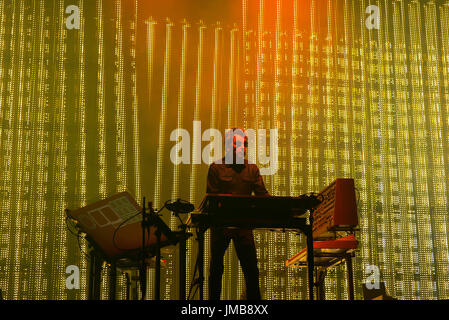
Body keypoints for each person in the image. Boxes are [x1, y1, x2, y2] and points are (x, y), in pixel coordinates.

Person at [206, 128, 269, 300]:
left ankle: (255, 305)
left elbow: (263, 196)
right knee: (216, 268)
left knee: (251, 269)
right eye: (236, 143)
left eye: (243, 143)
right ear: (227, 145)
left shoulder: (252, 169)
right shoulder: (216, 168)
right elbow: (211, 202)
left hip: (243, 224)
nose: (241, 146)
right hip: (221, 225)